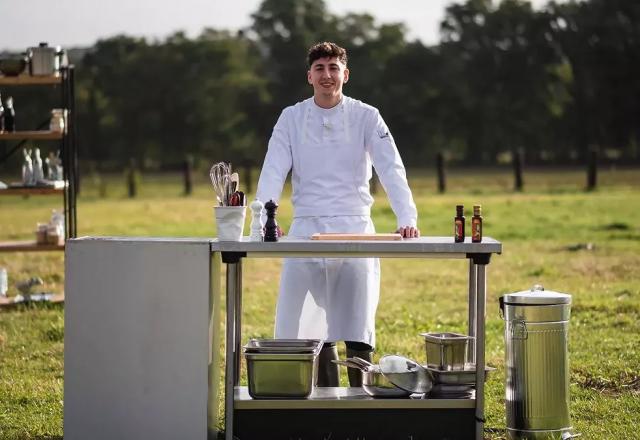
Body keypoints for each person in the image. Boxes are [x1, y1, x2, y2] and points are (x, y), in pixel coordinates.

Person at [256, 42, 419, 387]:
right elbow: (273, 170)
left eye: (333, 68)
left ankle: (360, 403)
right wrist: (264, 220)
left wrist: (407, 219)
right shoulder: (292, 117)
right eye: (320, 68)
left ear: (345, 74)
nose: (327, 75)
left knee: (357, 318)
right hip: (305, 229)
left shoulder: (366, 116)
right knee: (310, 326)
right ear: (309, 76)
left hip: (355, 227)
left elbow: (391, 169)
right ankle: (321, 404)